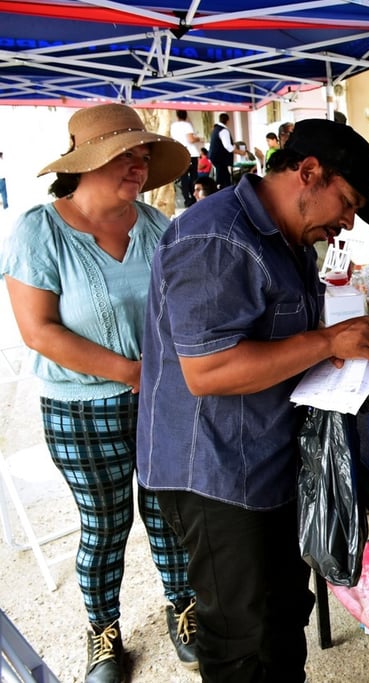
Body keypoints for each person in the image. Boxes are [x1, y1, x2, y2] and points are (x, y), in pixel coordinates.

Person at [137, 118, 369, 682]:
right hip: (214, 473)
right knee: (241, 632)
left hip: (264, 457)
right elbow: (209, 370)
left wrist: (330, 351)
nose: (346, 222)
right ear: (307, 173)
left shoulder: (289, 240)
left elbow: (279, 344)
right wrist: (328, 341)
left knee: (283, 611)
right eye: (347, 202)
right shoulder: (216, 237)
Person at [0, 103, 199, 683]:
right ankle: (103, 634)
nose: (138, 166)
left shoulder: (159, 228)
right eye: (125, 155)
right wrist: (132, 371)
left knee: (168, 512)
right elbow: (39, 330)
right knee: (105, 523)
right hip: (79, 409)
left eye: (143, 156)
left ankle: (183, 609)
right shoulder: (41, 230)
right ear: (85, 163)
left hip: (161, 400)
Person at [170, 110, 202, 207]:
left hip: (180, 153)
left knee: (183, 178)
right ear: (186, 115)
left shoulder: (173, 126)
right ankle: (194, 198)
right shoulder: (187, 125)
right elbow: (190, 139)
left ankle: (186, 199)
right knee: (194, 177)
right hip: (191, 153)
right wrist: (198, 138)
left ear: (177, 115)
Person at [208, 113, 237, 190]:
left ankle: (225, 189)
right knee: (222, 176)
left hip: (214, 156)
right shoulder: (223, 130)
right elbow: (228, 147)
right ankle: (221, 190)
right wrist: (240, 152)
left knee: (224, 175)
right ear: (228, 121)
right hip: (220, 158)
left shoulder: (216, 129)